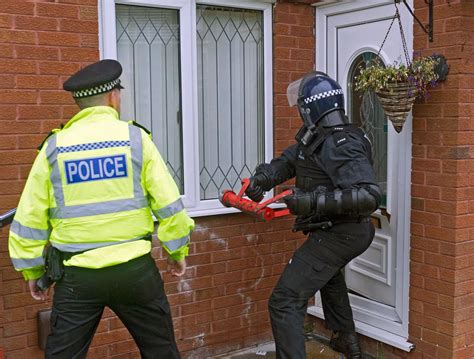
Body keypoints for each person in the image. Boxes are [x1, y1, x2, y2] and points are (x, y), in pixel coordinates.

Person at [8, 59, 194, 358]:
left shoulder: (54, 148)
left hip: (77, 277)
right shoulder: (136, 140)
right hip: (135, 271)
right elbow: (169, 204)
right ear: (112, 96)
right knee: (161, 351)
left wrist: (31, 269)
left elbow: (30, 216)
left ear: (80, 103)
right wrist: (176, 252)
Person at [245, 71, 382, 359]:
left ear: (312, 108)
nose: (298, 112)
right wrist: (262, 178)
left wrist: (310, 201)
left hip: (344, 233)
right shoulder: (319, 138)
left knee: (284, 301)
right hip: (336, 230)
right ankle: (346, 341)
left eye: (301, 107)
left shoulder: (342, 144)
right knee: (328, 276)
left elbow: (369, 195)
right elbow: (289, 161)